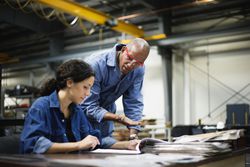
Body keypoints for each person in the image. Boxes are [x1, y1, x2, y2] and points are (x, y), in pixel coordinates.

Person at [81, 38, 150, 149]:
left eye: (138, 63)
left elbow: (134, 102)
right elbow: (88, 106)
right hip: (81, 119)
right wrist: (119, 118)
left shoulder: (138, 70)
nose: (131, 65)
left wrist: (133, 137)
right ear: (123, 50)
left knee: (104, 149)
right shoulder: (95, 65)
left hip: (105, 123)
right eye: (130, 58)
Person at [20, 59, 101, 154]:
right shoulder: (41, 107)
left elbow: (90, 138)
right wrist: (78, 145)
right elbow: (33, 145)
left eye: (90, 88)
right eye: (85, 87)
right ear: (69, 82)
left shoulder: (77, 111)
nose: (88, 94)